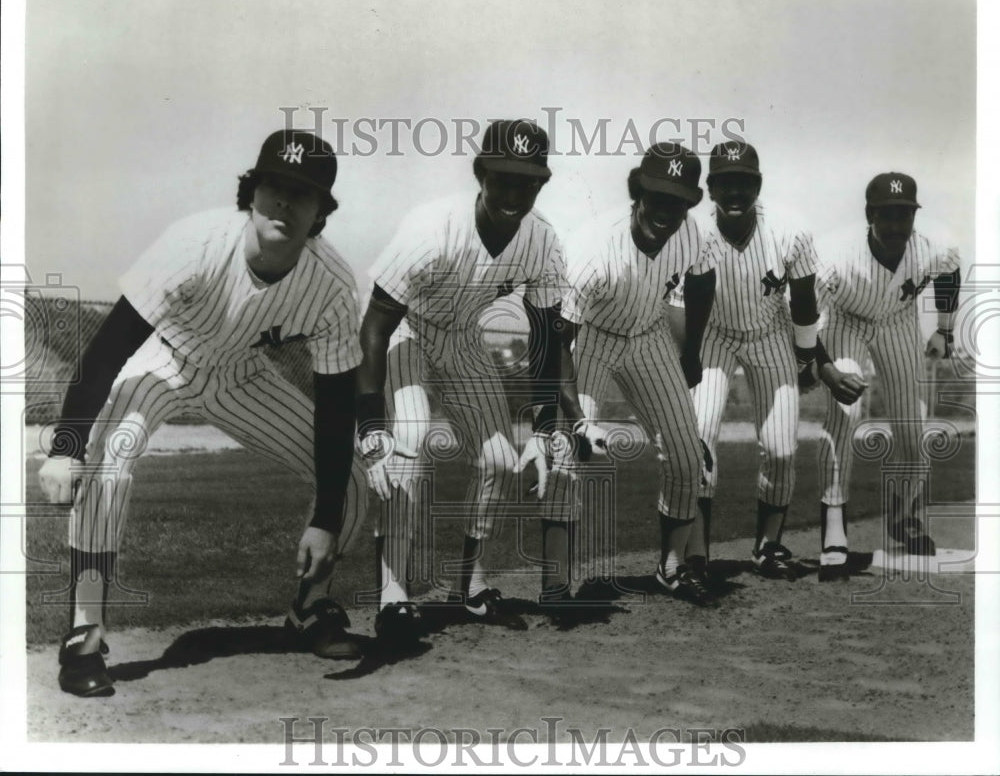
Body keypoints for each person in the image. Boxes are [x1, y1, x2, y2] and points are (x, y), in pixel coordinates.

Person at [38, 129, 368, 697]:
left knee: (356, 484)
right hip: (165, 358)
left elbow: (336, 406)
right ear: (253, 192)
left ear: (322, 212)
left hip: (243, 376)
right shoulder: (195, 244)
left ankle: (311, 609)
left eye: (304, 193)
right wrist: (68, 446)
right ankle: (84, 634)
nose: (286, 203)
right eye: (276, 187)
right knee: (107, 463)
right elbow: (109, 348)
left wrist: (327, 517)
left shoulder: (333, 285)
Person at [355, 119, 594, 644]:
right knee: (409, 443)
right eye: (503, 177)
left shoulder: (542, 241)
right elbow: (374, 326)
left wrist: (546, 426)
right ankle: (393, 595)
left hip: (464, 337)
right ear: (480, 174)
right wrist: (372, 425)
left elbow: (548, 340)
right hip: (407, 331)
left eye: (527, 181)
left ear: (542, 184)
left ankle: (470, 582)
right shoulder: (432, 228)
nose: (513, 192)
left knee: (499, 460)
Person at [549, 143, 720, 607]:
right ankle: (556, 584)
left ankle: (671, 567)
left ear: (689, 205)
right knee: (566, 455)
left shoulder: (692, 236)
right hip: (591, 340)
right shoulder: (592, 250)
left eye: (678, 202)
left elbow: (704, 281)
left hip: (648, 335)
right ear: (636, 194)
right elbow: (558, 340)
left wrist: (692, 351)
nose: (666, 211)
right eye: (657, 197)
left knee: (688, 456)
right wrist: (577, 417)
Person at [677, 141, 820, 582]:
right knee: (698, 438)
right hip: (714, 335)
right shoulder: (692, 234)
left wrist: (805, 357)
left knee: (780, 447)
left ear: (757, 186)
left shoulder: (790, 230)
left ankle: (768, 546)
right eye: (725, 183)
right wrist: (687, 358)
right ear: (711, 189)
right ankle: (697, 553)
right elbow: (682, 309)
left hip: (770, 336)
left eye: (744, 183)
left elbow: (804, 299)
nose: (735, 192)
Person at [811, 171, 961, 580]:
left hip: (897, 322)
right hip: (847, 322)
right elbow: (804, 319)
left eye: (905, 215)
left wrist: (944, 329)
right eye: (888, 215)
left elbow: (950, 270)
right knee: (846, 416)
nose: (897, 225)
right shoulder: (834, 257)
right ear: (869, 214)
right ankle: (834, 530)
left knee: (915, 432)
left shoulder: (931, 248)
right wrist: (824, 369)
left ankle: (902, 515)